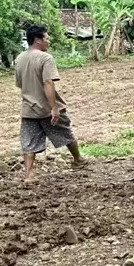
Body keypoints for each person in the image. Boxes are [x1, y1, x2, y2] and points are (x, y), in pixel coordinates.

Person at [15, 25, 87, 183]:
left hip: (28, 108)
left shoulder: (19, 58)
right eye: (47, 38)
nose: (49, 41)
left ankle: (29, 175)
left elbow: (20, 84)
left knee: (29, 142)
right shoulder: (45, 58)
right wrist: (54, 107)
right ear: (38, 39)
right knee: (65, 132)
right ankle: (78, 159)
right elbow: (48, 82)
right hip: (46, 108)